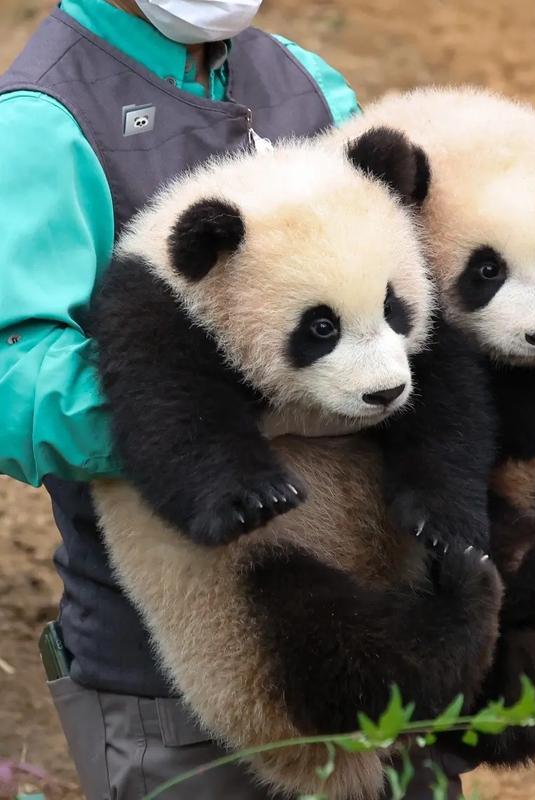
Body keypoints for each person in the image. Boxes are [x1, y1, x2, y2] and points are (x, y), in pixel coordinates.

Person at [0, 1, 463, 797]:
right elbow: (16, 389)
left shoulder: (305, 80)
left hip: (390, 625)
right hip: (181, 676)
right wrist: (252, 408)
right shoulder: (40, 122)